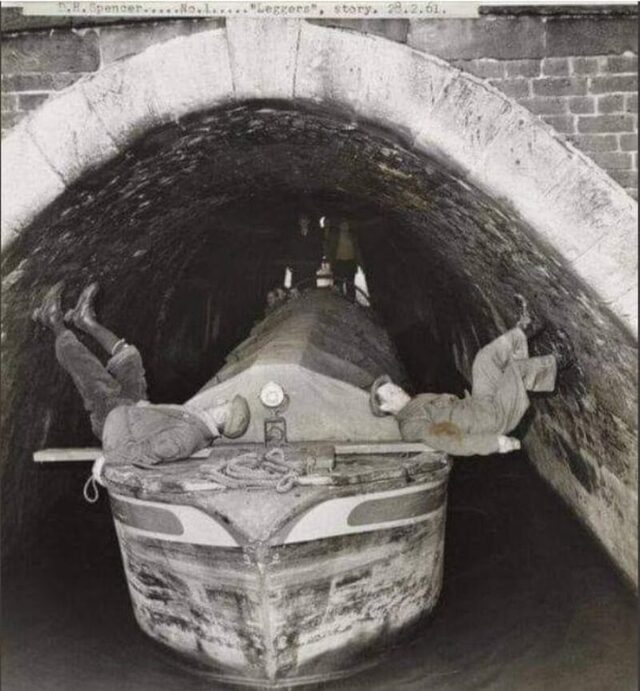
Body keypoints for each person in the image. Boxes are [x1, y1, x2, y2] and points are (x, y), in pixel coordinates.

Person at [32, 282, 250, 467]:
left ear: (223, 417)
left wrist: (113, 442)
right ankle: (84, 320)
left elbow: (137, 455)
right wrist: (141, 408)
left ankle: (52, 321)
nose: (221, 401)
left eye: (225, 405)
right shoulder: (199, 425)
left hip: (115, 418)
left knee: (88, 370)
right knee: (130, 358)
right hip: (136, 410)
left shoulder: (187, 439)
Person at [369, 317, 570, 456]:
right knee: (514, 372)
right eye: (391, 393)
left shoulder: (414, 403)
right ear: (386, 407)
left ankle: (525, 328)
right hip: (491, 420)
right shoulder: (411, 426)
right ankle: (561, 360)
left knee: (483, 360)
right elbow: (451, 441)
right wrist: (496, 443)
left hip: (478, 405)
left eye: (394, 387)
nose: (398, 389)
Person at [324, 219, 360, 300]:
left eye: (346, 225)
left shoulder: (352, 236)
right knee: (338, 284)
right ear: (339, 226)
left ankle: (351, 301)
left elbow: (357, 250)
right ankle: (338, 302)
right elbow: (328, 246)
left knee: (350, 284)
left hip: (350, 262)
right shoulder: (334, 236)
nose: (345, 226)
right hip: (339, 262)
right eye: (343, 225)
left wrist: (359, 263)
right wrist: (330, 259)